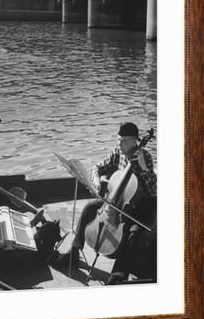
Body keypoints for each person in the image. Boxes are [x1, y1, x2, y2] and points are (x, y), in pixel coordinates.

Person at [53, 122, 157, 284]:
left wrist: (143, 168)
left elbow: (153, 190)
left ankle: (118, 274)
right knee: (89, 208)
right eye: (118, 140)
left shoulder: (146, 157)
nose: (119, 144)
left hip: (138, 206)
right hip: (116, 200)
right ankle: (74, 251)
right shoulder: (118, 152)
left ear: (135, 141)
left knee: (133, 233)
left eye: (123, 140)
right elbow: (97, 167)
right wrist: (97, 181)